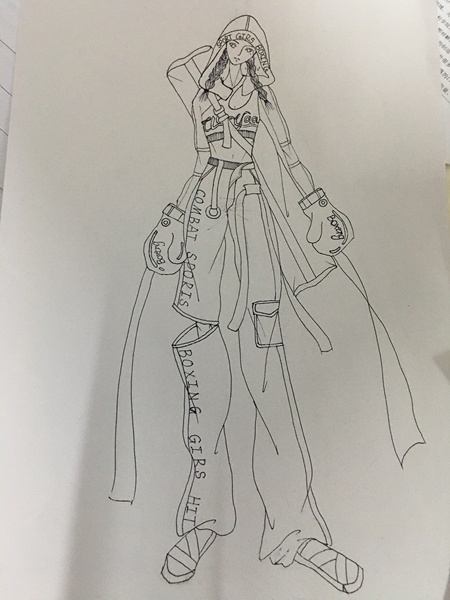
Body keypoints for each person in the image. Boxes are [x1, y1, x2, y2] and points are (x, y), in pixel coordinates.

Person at [110, 15, 424, 594]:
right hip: (205, 225)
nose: (241, 50)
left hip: (254, 224)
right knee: (205, 383)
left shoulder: (264, 100)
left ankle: (296, 532)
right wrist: (171, 220)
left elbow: (290, 156)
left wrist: (318, 204)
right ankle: (202, 522)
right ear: (224, 44)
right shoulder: (200, 95)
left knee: (268, 381)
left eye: (251, 44)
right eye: (235, 40)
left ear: (261, 53)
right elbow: (197, 160)